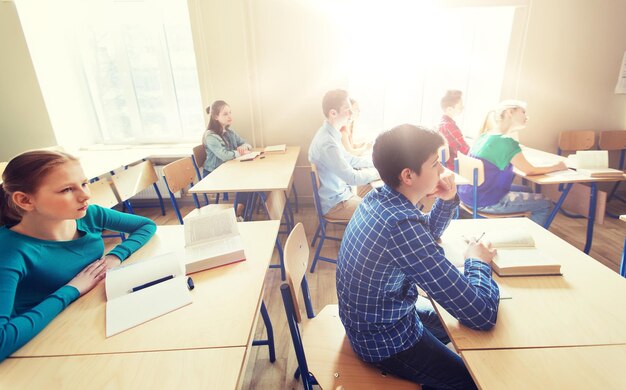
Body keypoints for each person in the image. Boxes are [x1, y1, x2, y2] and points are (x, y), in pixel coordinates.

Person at [336, 124, 500, 389]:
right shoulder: (401, 227)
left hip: (372, 323)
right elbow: (481, 315)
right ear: (408, 175)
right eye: (436, 164)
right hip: (385, 343)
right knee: (475, 380)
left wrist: (447, 200)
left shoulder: (379, 197)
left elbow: (422, 236)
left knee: (457, 327)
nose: (443, 171)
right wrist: (477, 262)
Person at [0, 150, 156, 362]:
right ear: (25, 200)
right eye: (67, 189)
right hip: (40, 344)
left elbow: (146, 225)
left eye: (84, 183)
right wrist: (71, 289)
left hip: (88, 318)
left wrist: (115, 256)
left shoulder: (88, 213)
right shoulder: (9, 251)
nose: (85, 195)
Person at [457, 100, 566, 226]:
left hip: (468, 196)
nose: (527, 117)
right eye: (523, 112)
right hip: (487, 201)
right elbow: (529, 170)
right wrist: (557, 166)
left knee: (528, 190)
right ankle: (529, 238)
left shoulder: (485, 136)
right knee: (545, 204)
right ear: (510, 112)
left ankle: (515, 228)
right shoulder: (506, 142)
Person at [308, 89, 380, 220]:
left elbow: (349, 159)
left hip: (342, 193)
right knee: (377, 213)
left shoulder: (331, 134)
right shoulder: (327, 143)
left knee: (374, 191)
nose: (351, 113)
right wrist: (380, 172)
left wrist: (376, 163)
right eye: (347, 109)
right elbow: (351, 178)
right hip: (336, 204)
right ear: (333, 113)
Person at [201, 100, 252, 218]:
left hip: (228, 169)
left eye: (230, 112)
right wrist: (241, 153)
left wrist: (244, 147)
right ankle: (239, 213)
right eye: (225, 114)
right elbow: (224, 155)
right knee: (245, 182)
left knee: (250, 179)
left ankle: (242, 211)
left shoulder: (229, 132)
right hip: (213, 173)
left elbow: (247, 144)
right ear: (215, 116)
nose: (229, 116)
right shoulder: (210, 136)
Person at [437, 90, 470, 170]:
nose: (463, 108)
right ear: (449, 109)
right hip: (453, 167)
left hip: (445, 165)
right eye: (460, 106)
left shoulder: (441, 123)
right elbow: (465, 150)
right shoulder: (449, 126)